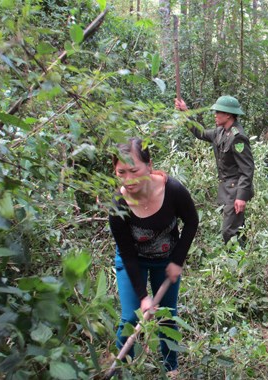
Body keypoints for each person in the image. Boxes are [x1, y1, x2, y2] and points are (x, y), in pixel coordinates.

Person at [108, 138, 199, 374]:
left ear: (149, 165)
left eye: (134, 170)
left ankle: (171, 369)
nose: (129, 179)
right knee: (130, 318)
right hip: (133, 260)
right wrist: (143, 296)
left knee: (167, 315)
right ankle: (121, 370)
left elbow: (191, 222)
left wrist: (177, 261)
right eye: (122, 172)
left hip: (166, 259)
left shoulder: (173, 190)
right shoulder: (118, 204)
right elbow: (127, 253)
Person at [175, 96, 254, 244]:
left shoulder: (238, 137)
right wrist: (185, 113)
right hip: (226, 188)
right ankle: (245, 256)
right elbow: (201, 133)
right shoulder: (220, 131)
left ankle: (234, 263)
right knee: (238, 227)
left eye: (218, 112)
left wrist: (241, 197)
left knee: (228, 231)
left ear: (228, 114)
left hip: (235, 190)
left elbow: (247, 168)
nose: (215, 115)